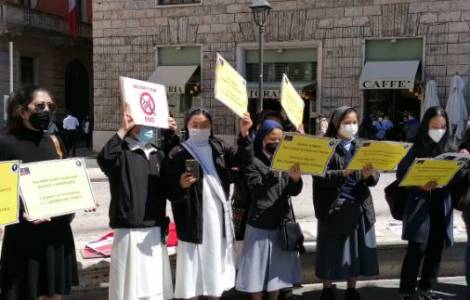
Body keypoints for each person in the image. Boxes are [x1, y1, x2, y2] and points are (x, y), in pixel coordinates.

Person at [164, 107, 253, 300]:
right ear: (187, 125)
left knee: (215, 261)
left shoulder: (219, 147)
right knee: (191, 268)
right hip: (191, 218)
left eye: (204, 125)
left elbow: (244, 160)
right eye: (195, 124)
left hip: (216, 217)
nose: (199, 128)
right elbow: (169, 189)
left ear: (211, 126)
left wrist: (244, 134)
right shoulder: (178, 152)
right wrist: (181, 185)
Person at [0, 85, 79, 300]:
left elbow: (64, 180)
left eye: (50, 106)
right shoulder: (6, 144)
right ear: (22, 111)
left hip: (57, 233)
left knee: (54, 294)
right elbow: (2, 192)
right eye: (40, 105)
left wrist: (78, 198)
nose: (47, 111)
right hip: (25, 235)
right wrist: (21, 211)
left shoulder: (54, 141)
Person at [97, 105, 177, 300]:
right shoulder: (121, 153)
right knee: (129, 289)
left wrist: (171, 135)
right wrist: (122, 130)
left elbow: (174, 168)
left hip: (154, 228)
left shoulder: (157, 153)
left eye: (151, 124)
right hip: (129, 229)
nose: (148, 129)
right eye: (142, 124)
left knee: (154, 287)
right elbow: (104, 158)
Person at [313, 106, 380, 300]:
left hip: (359, 205)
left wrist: (369, 176)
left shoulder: (363, 146)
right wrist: (342, 173)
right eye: (346, 123)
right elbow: (319, 176)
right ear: (337, 124)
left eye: (354, 122)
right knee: (329, 250)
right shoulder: (325, 146)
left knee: (357, 250)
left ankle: (352, 288)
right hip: (333, 205)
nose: (351, 126)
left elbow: (374, 178)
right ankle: (327, 287)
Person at [235, 120, 303, 300]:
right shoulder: (253, 162)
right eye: (273, 138)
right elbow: (256, 191)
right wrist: (272, 174)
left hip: (281, 221)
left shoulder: (286, 160)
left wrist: (295, 180)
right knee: (255, 272)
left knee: (276, 271)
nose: (277, 142)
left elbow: (292, 192)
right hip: (260, 223)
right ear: (262, 139)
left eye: (280, 139)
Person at [397, 106, 457, 300]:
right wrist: (419, 186)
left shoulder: (450, 146)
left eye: (443, 126)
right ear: (426, 126)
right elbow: (402, 176)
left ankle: (427, 288)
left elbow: (457, 179)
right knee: (417, 249)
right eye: (434, 126)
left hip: (441, 204)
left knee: (435, 249)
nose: (439, 130)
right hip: (419, 204)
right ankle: (407, 290)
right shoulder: (415, 147)